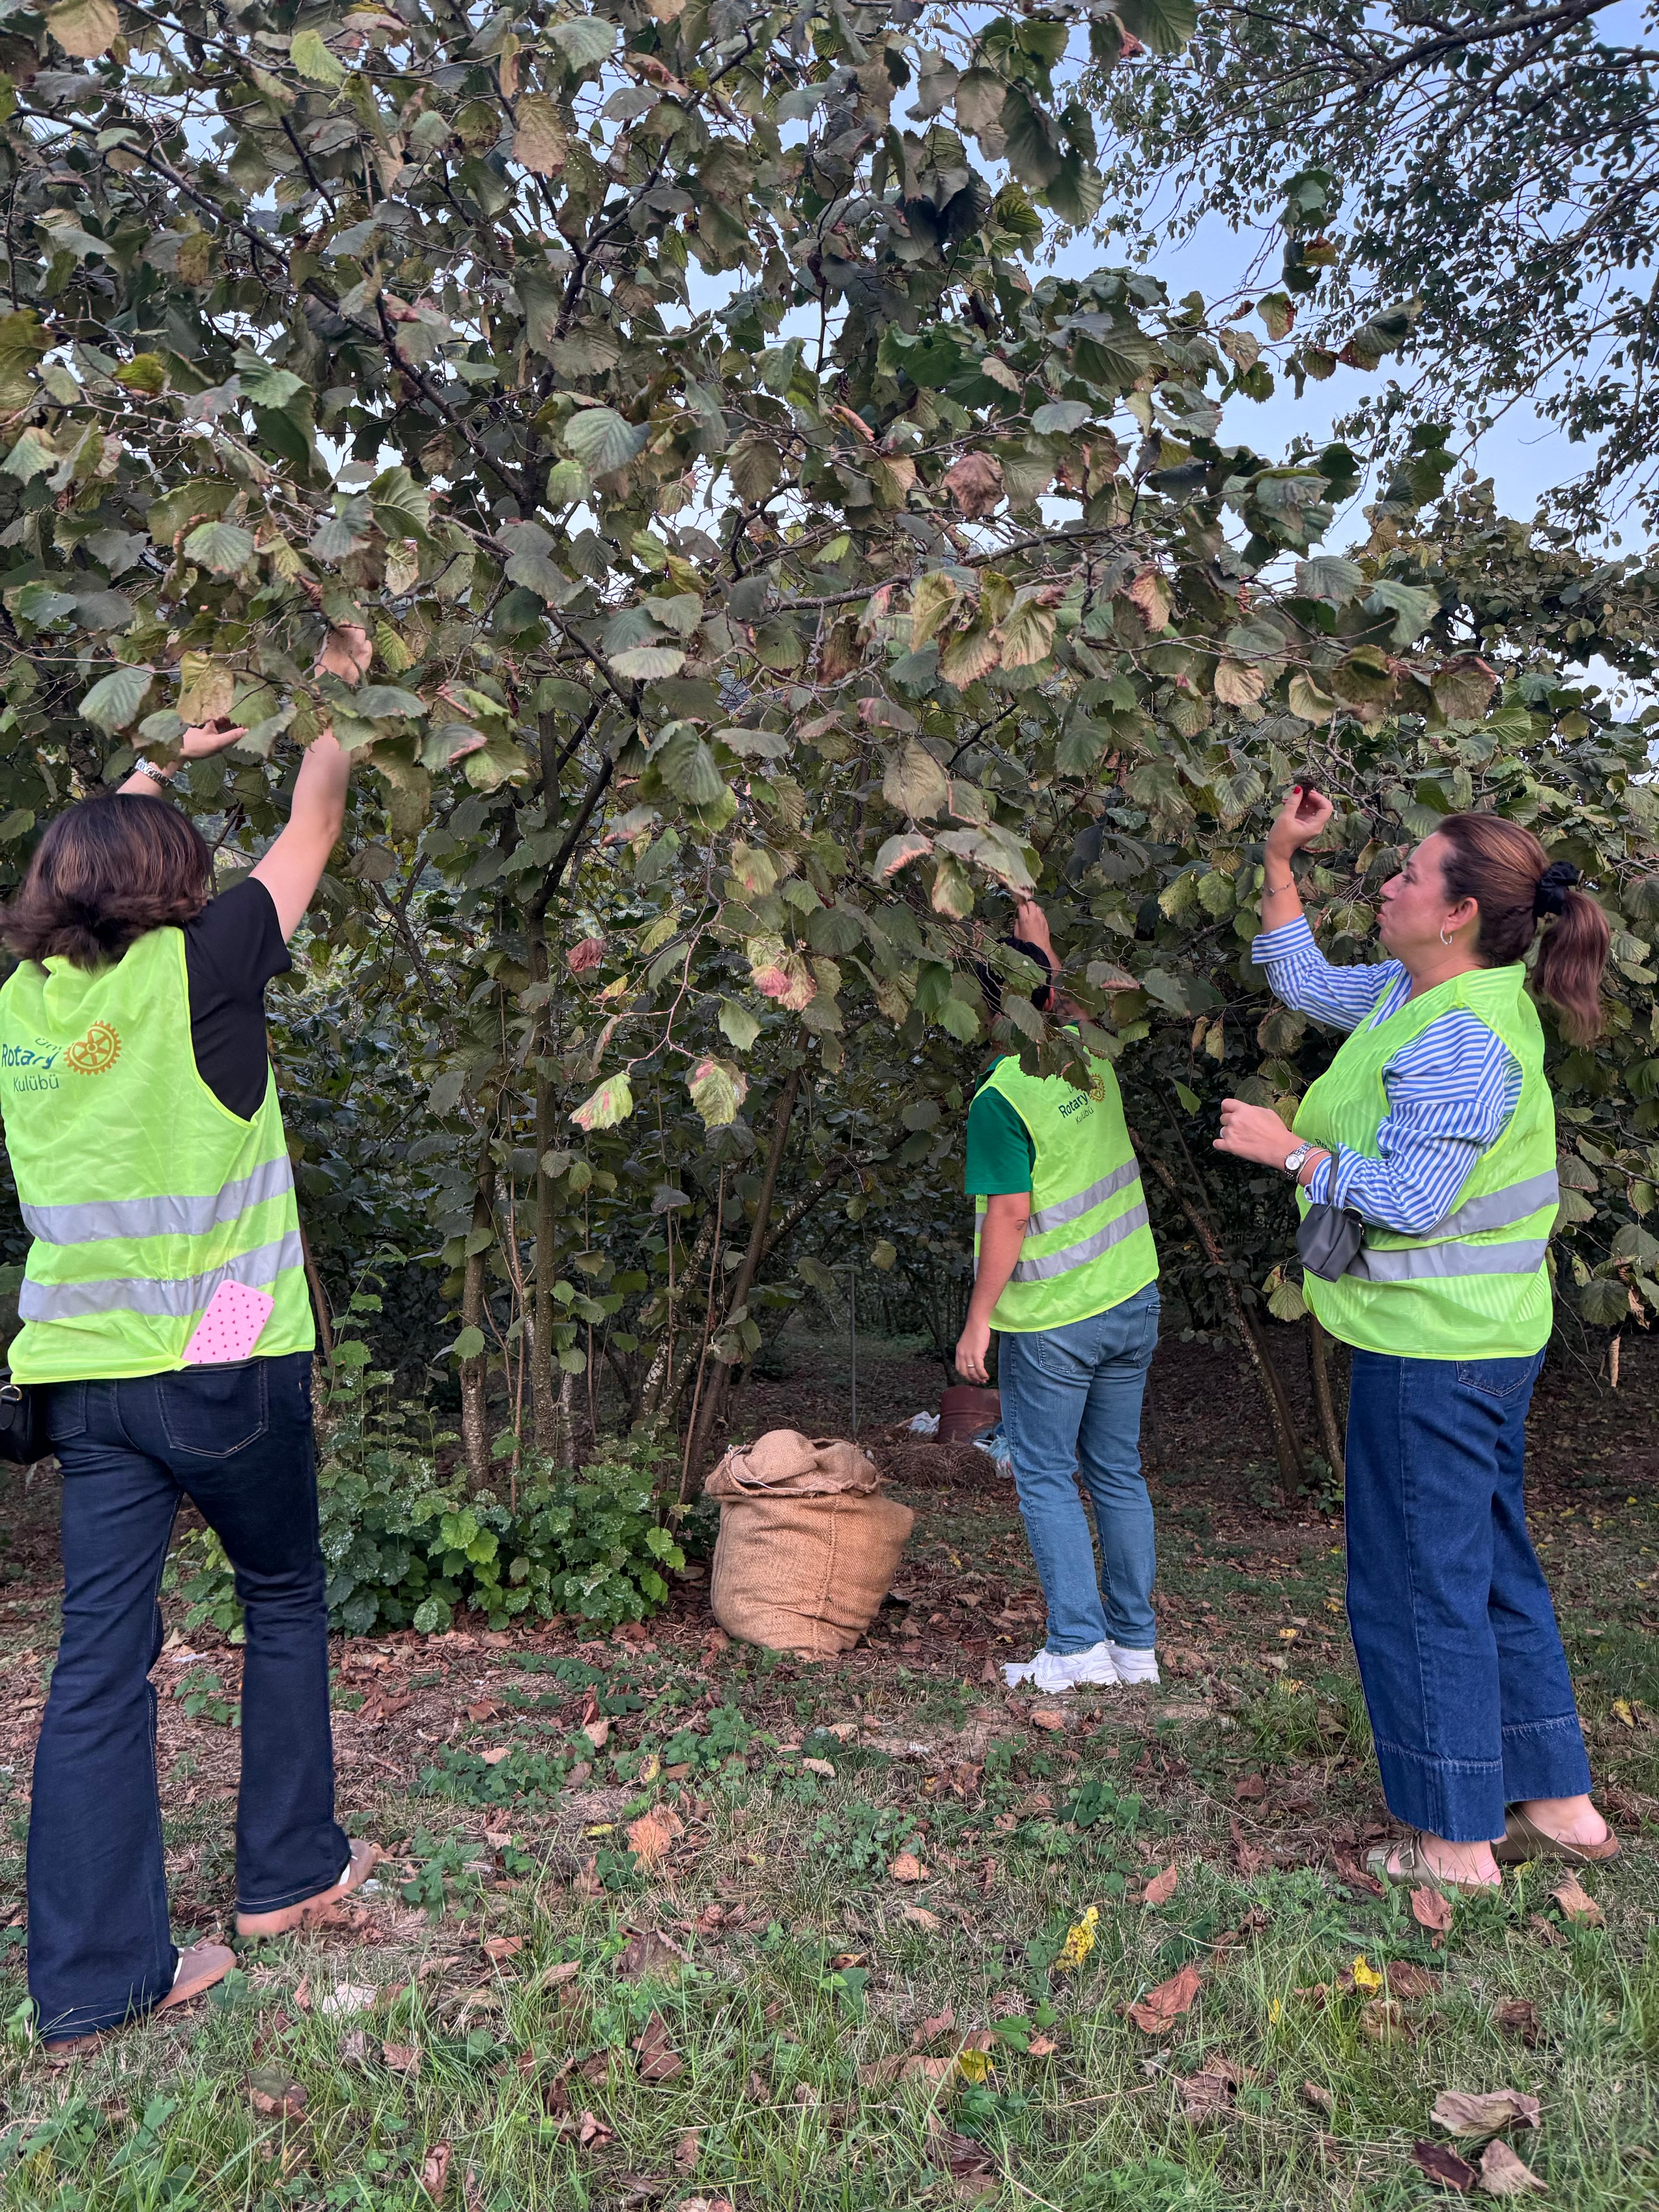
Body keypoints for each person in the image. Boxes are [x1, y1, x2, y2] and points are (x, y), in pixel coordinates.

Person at [0, 715, 378, 2050]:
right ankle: (287, 1878)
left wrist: (154, 758)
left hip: (81, 1382)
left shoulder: (24, 1011)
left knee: (97, 1661)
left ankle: (98, 1980)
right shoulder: (207, 966)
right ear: (179, 882)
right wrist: (340, 704)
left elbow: (91, 871)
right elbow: (314, 819)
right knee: (281, 1591)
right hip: (220, 1351)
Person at [1215, 783, 1617, 1892]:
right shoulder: (1415, 991)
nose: (1385, 886)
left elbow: (1413, 1194)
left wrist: (1288, 1150)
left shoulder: (1465, 1039)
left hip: (1436, 1352)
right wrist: (1279, 856)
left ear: (1456, 915)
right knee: (1488, 1568)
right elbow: (1300, 978)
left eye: (1407, 875)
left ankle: (1452, 1840)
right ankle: (1562, 1807)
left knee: (1414, 1585)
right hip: (1475, 1338)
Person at [955, 899, 1162, 1692]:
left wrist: (979, 1324)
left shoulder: (1001, 1099)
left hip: (1054, 1322)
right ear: (1047, 993)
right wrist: (1040, 951)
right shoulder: (1085, 1051)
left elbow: (1008, 1217)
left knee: (1043, 1474)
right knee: (1116, 1471)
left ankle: (1076, 1647)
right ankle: (1134, 1650)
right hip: (1132, 1297)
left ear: (984, 1005)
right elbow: (1061, 1003)